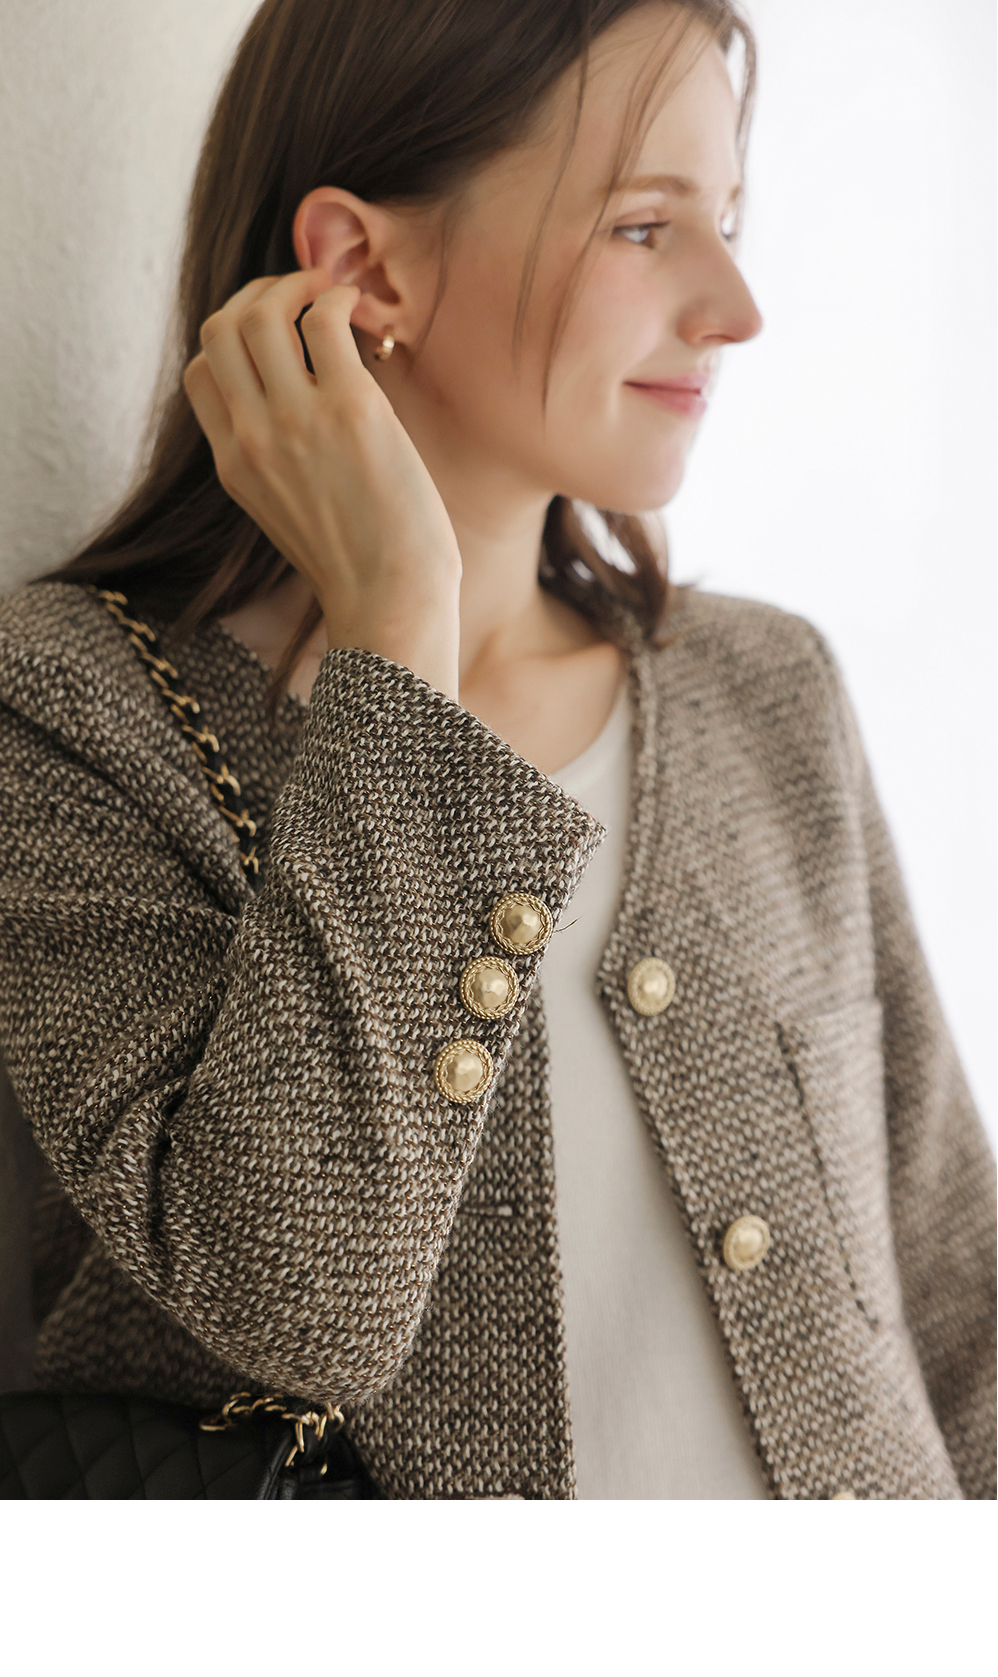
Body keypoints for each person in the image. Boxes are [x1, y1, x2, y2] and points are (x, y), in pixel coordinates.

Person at [0, 0, 993, 1500]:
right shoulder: (74, 713)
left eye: (726, 222)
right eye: (645, 226)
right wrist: (400, 631)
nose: (735, 307)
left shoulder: (764, 690)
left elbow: (957, 1303)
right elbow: (295, 1309)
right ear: (362, 267)